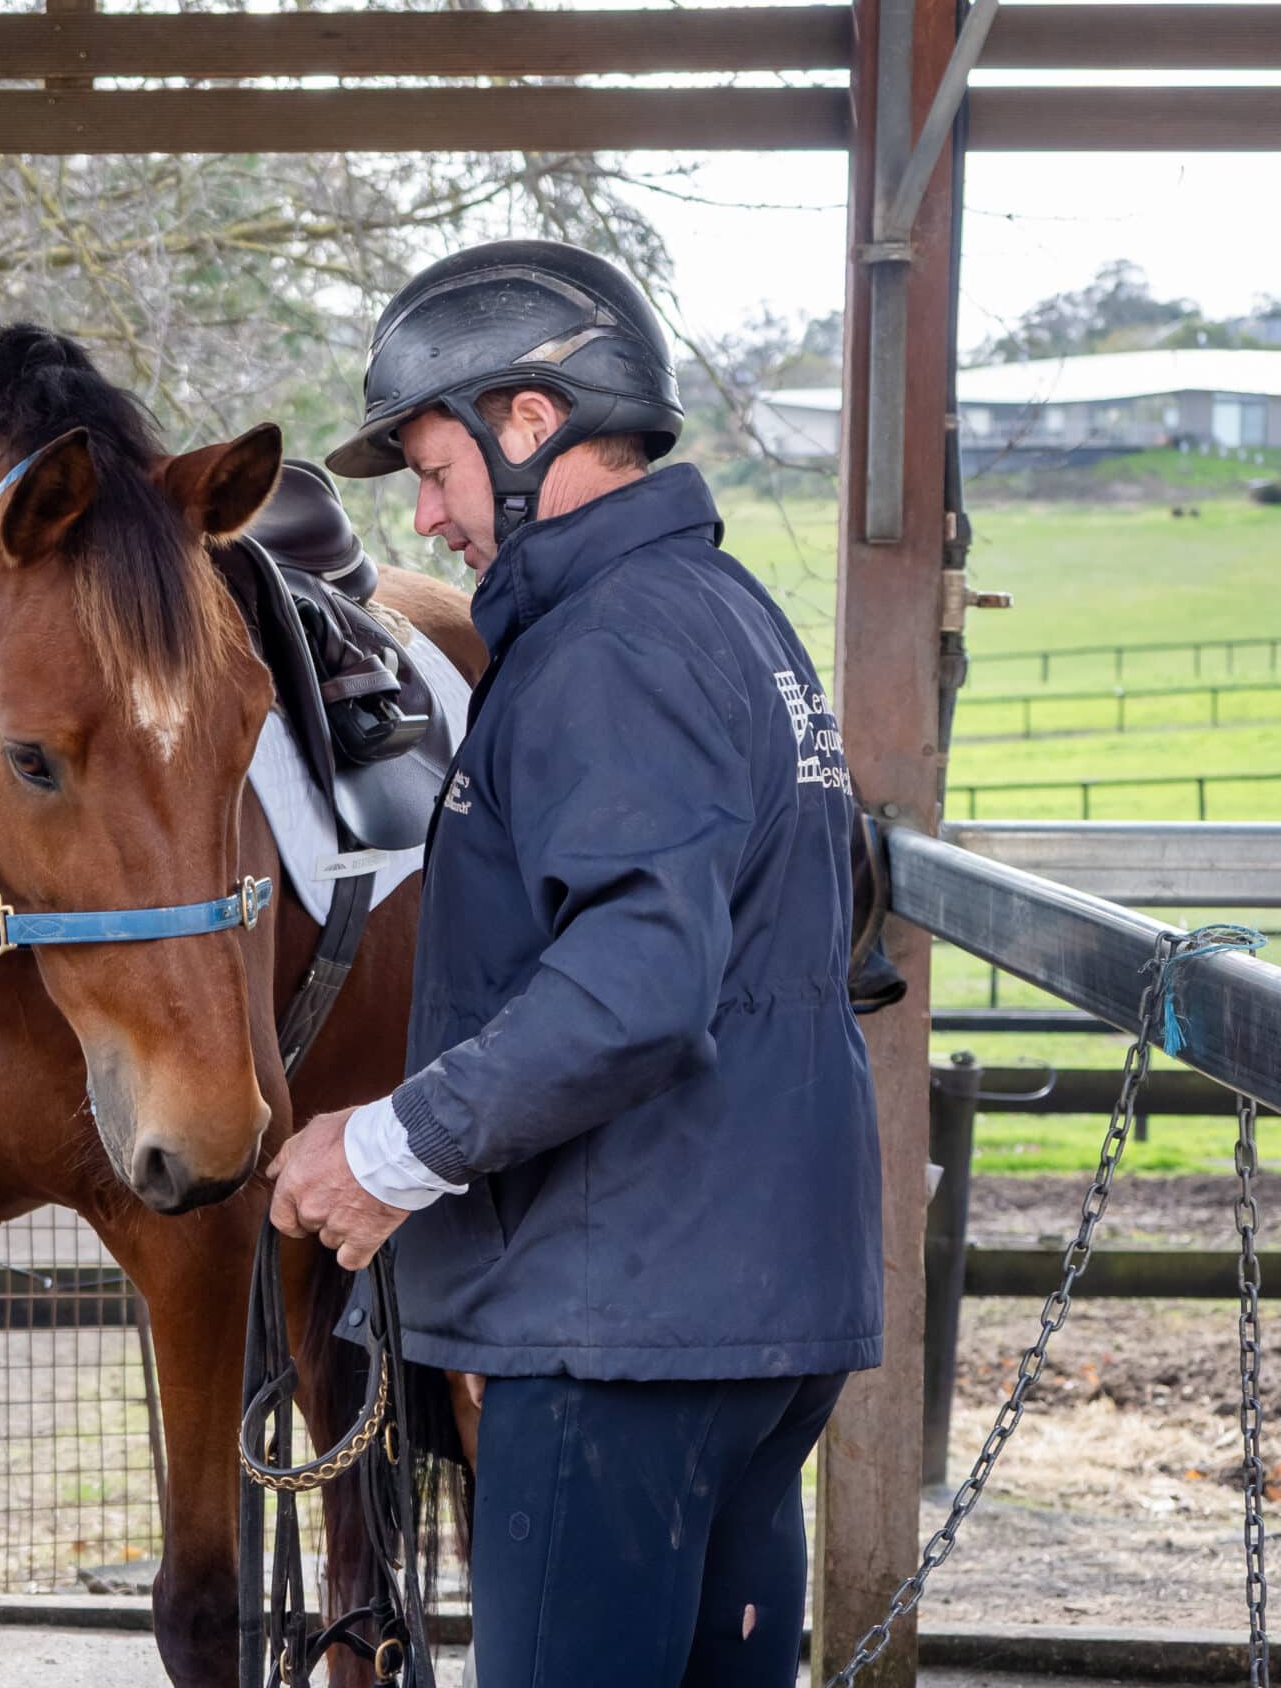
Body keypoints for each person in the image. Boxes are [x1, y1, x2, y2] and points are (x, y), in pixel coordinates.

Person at [267, 240, 885, 1688]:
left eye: (436, 470)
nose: (428, 516)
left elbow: (635, 986)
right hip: (748, 1307)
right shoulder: (729, 614)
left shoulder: (607, 649)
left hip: (622, 1331)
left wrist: (390, 1150)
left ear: (530, 423)